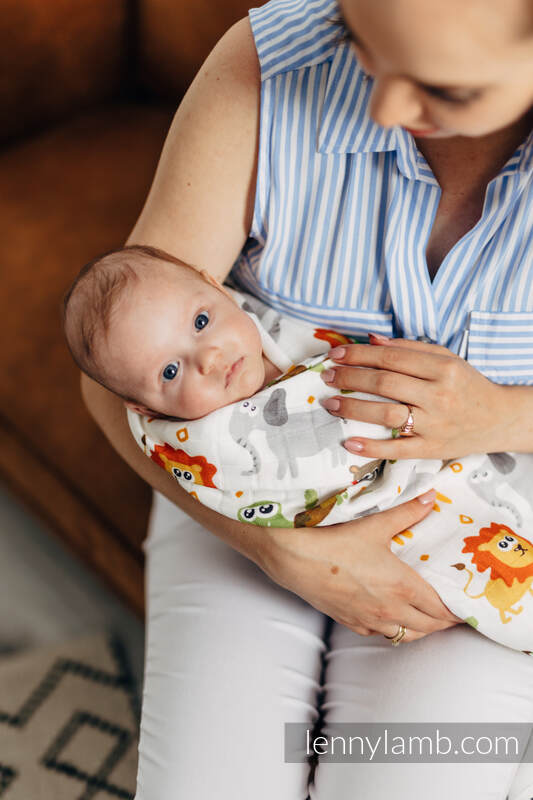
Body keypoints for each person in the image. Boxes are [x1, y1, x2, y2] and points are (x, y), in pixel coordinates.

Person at [80, 0, 533, 797]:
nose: (387, 110)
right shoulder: (264, 67)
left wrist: (499, 415)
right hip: (239, 485)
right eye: (363, 45)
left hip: (482, 523)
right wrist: (269, 546)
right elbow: (113, 369)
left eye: (446, 88)